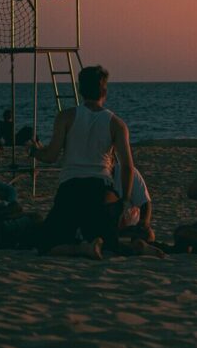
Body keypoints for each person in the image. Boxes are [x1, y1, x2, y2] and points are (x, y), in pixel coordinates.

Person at [31, 65, 163, 259]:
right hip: (102, 191)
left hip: (71, 189)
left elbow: (50, 156)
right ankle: (136, 247)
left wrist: (35, 151)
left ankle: (82, 249)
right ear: (104, 90)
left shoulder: (66, 117)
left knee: (47, 245)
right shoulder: (116, 124)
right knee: (110, 244)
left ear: (81, 90)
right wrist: (123, 200)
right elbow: (127, 166)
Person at [113, 160, 155, 243]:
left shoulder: (128, 172)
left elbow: (145, 203)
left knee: (147, 234)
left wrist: (143, 224)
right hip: (107, 225)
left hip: (129, 228)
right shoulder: (89, 173)